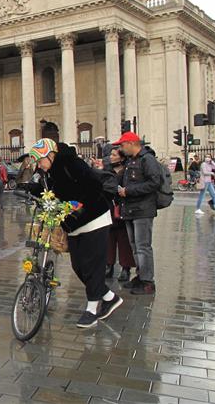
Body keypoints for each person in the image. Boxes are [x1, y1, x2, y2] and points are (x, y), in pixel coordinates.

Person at [29, 138, 122, 328]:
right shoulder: (48, 173)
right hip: (73, 224)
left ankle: (92, 309)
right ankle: (109, 297)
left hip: (94, 218)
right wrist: (32, 190)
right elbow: (52, 193)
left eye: (41, 161)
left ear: (50, 155)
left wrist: (78, 204)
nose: (40, 166)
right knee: (78, 265)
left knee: (92, 264)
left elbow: (94, 186)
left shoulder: (71, 164)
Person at [114, 132, 161, 295]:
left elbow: (154, 182)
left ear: (132, 143)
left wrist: (129, 190)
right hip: (130, 209)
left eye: (122, 145)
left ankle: (148, 282)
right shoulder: (130, 161)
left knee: (143, 247)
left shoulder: (147, 159)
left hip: (143, 210)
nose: (121, 148)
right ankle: (141, 276)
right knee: (135, 246)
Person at [101, 148, 135, 282]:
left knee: (124, 239)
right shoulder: (106, 170)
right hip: (108, 208)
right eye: (111, 154)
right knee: (108, 238)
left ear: (121, 158)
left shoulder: (127, 171)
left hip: (123, 208)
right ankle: (108, 265)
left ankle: (126, 267)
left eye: (114, 155)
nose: (111, 157)